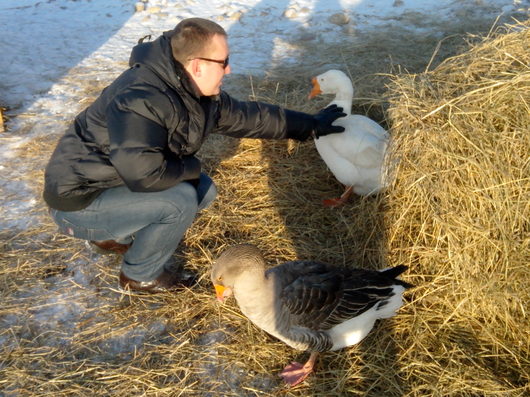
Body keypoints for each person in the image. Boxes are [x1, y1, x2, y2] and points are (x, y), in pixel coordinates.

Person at [43, 18, 345, 293]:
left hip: (110, 180)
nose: (229, 70)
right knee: (181, 200)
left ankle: (112, 234)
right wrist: (190, 167)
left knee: (202, 190)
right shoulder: (141, 98)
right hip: (79, 200)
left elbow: (247, 117)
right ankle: (139, 276)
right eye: (224, 62)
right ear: (197, 65)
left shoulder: (192, 90)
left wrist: (308, 125)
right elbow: (144, 174)